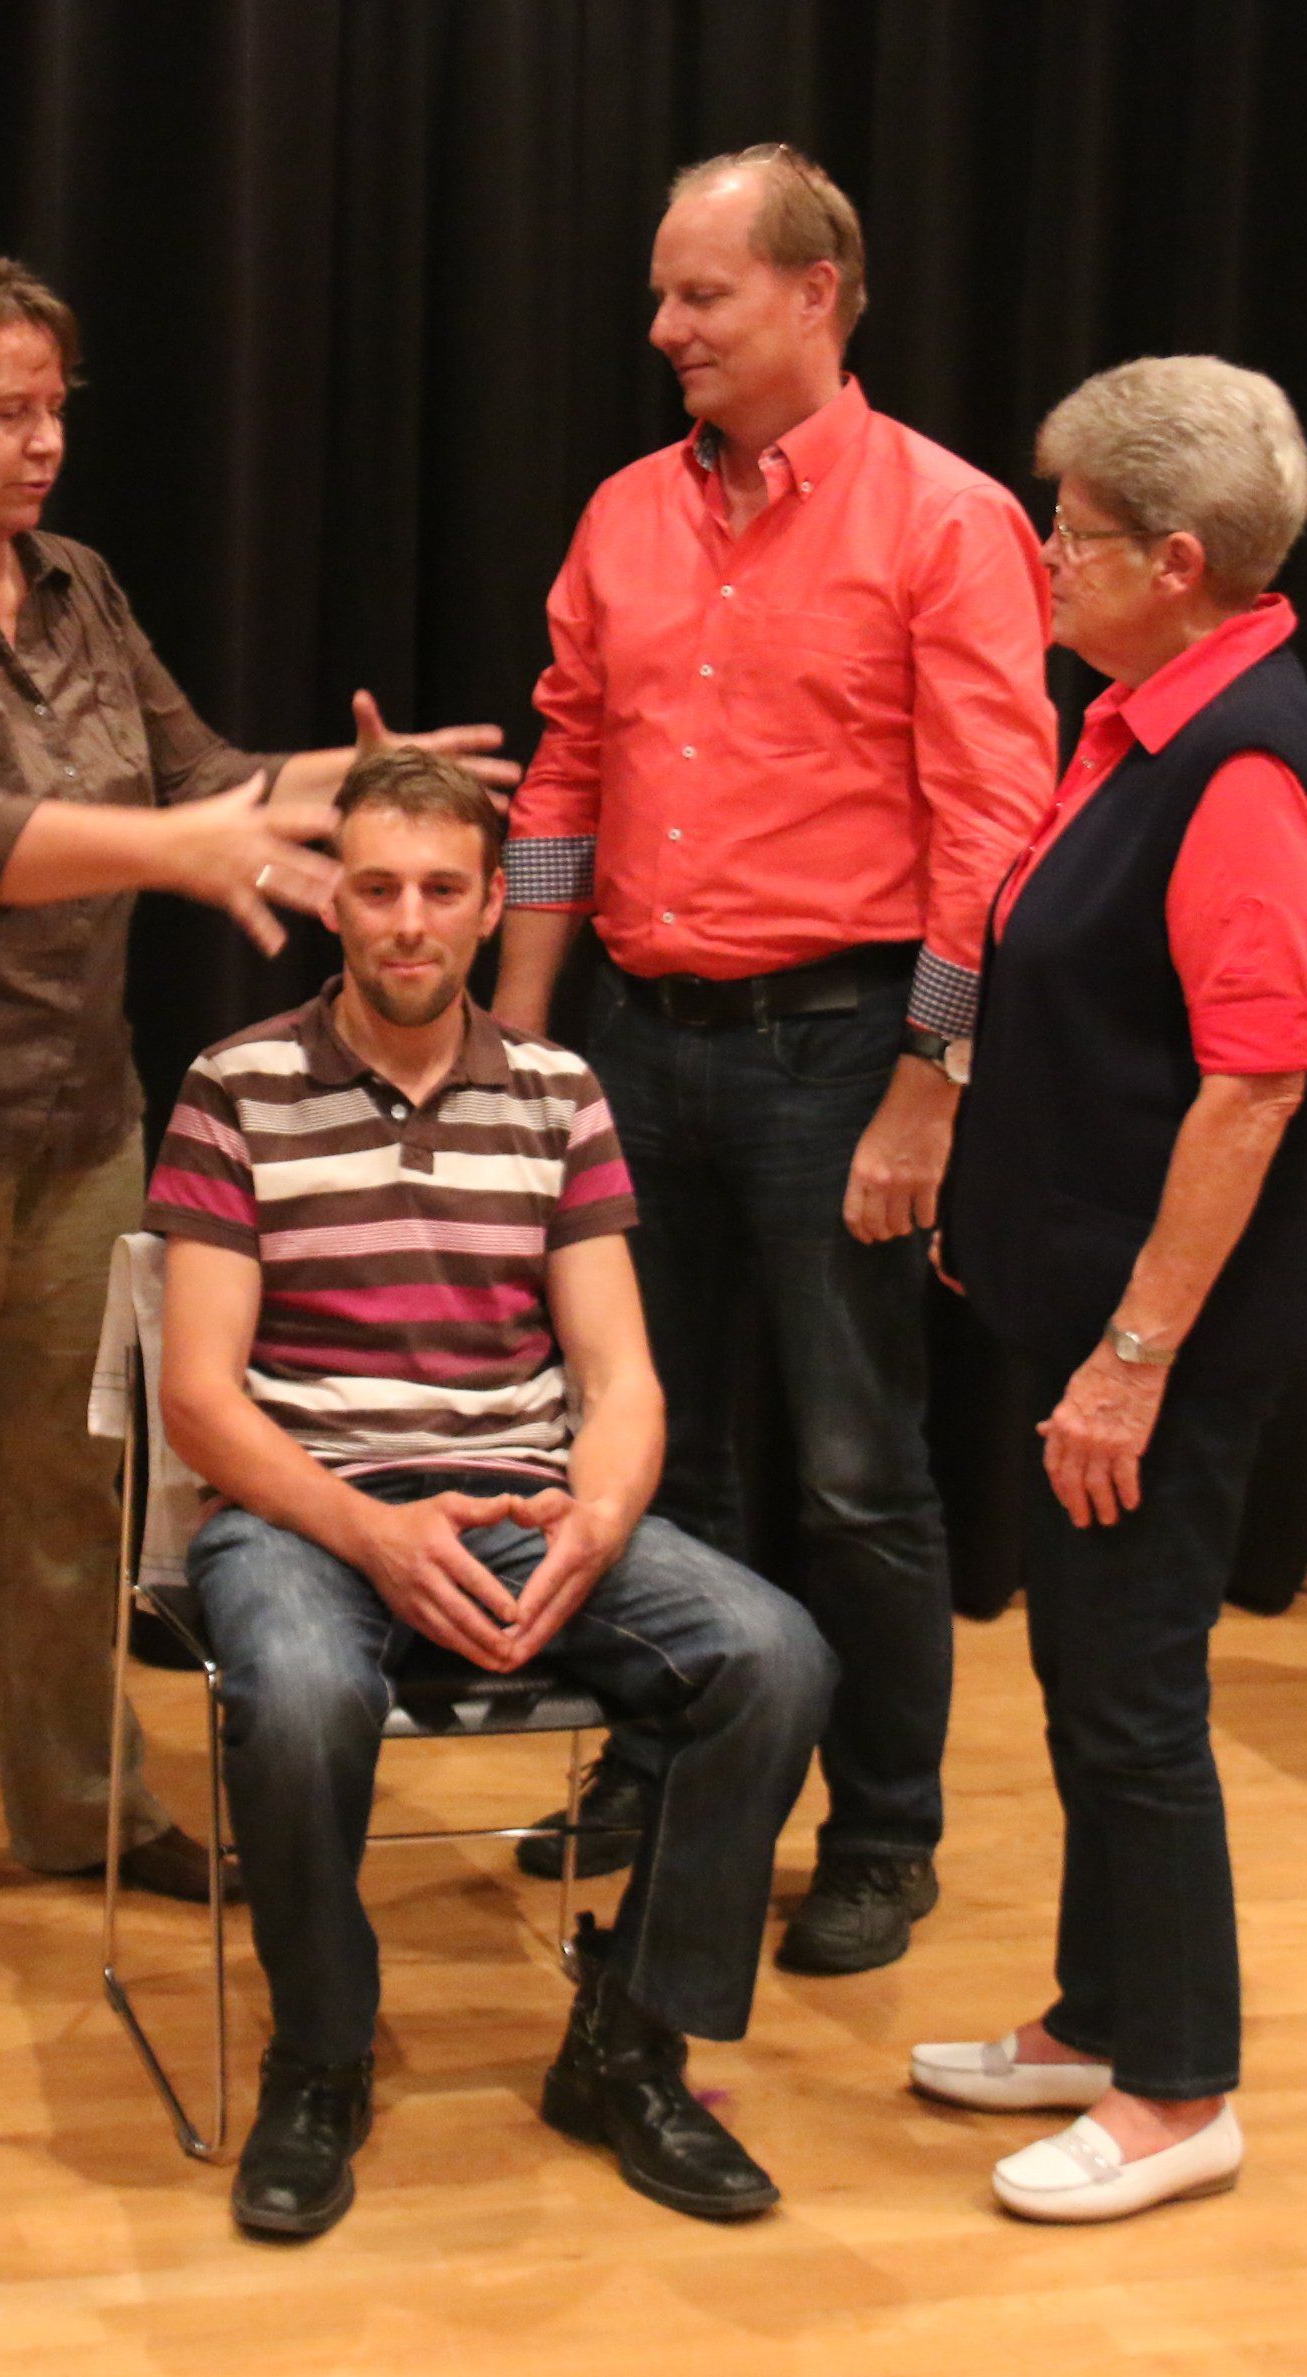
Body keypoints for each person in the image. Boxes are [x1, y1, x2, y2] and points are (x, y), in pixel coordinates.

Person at [0, 258, 520, 1969]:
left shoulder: (81, 586)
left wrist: (328, 787)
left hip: (80, 1122)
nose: (44, 442)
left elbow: (198, 778)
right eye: (6, 412)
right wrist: (184, 849)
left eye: (56, 409)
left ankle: (78, 1802)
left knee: (68, 1500)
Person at [488, 145, 1057, 1977]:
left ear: (817, 295)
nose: (665, 327)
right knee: (653, 1446)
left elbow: (993, 832)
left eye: (701, 294)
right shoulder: (624, 513)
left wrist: (930, 1082)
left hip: (840, 1047)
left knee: (857, 1470)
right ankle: (672, 1772)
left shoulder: (947, 518)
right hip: (639, 1043)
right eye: (661, 295)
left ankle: (882, 1833)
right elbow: (566, 774)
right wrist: (519, 1037)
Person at [150, 748, 835, 2240]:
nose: (408, 921)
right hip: (305, 1509)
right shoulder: (235, 1085)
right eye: (377, 888)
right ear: (335, 903)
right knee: (301, 1696)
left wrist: (602, 1514)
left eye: (441, 890)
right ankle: (320, 2057)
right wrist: (370, 1531)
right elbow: (198, 1397)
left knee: (775, 1656)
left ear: (485, 910)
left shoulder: (557, 1092)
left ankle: (629, 2046)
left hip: (519, 1504)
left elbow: (622, 1377)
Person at [913, 356, 1307, 2224]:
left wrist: (1129, 1357)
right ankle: (1101, 2016)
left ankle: (1181, 2093)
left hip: (1157, 1344)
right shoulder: (1140, 725)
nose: (1044, 554)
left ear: (1178, 562)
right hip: (1086, 1306)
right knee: (1085, 1673)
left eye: (1072, 531)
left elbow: (1253, 1090)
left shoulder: (1242, 767)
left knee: (1135, 1699)